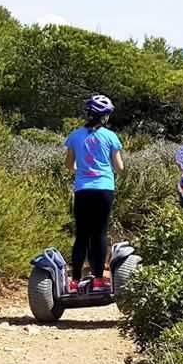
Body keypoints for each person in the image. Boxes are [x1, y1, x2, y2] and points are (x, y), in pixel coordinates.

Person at [63, 94, 124, 293]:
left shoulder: (74, 136)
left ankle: (75, 280)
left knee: (81, 234)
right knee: (100, 232)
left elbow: (68, 165)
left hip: (82, 189)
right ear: (104, 116)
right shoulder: (110, 136)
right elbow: (119, 167)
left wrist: (82, 171)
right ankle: (98, 278)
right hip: (104, 188)